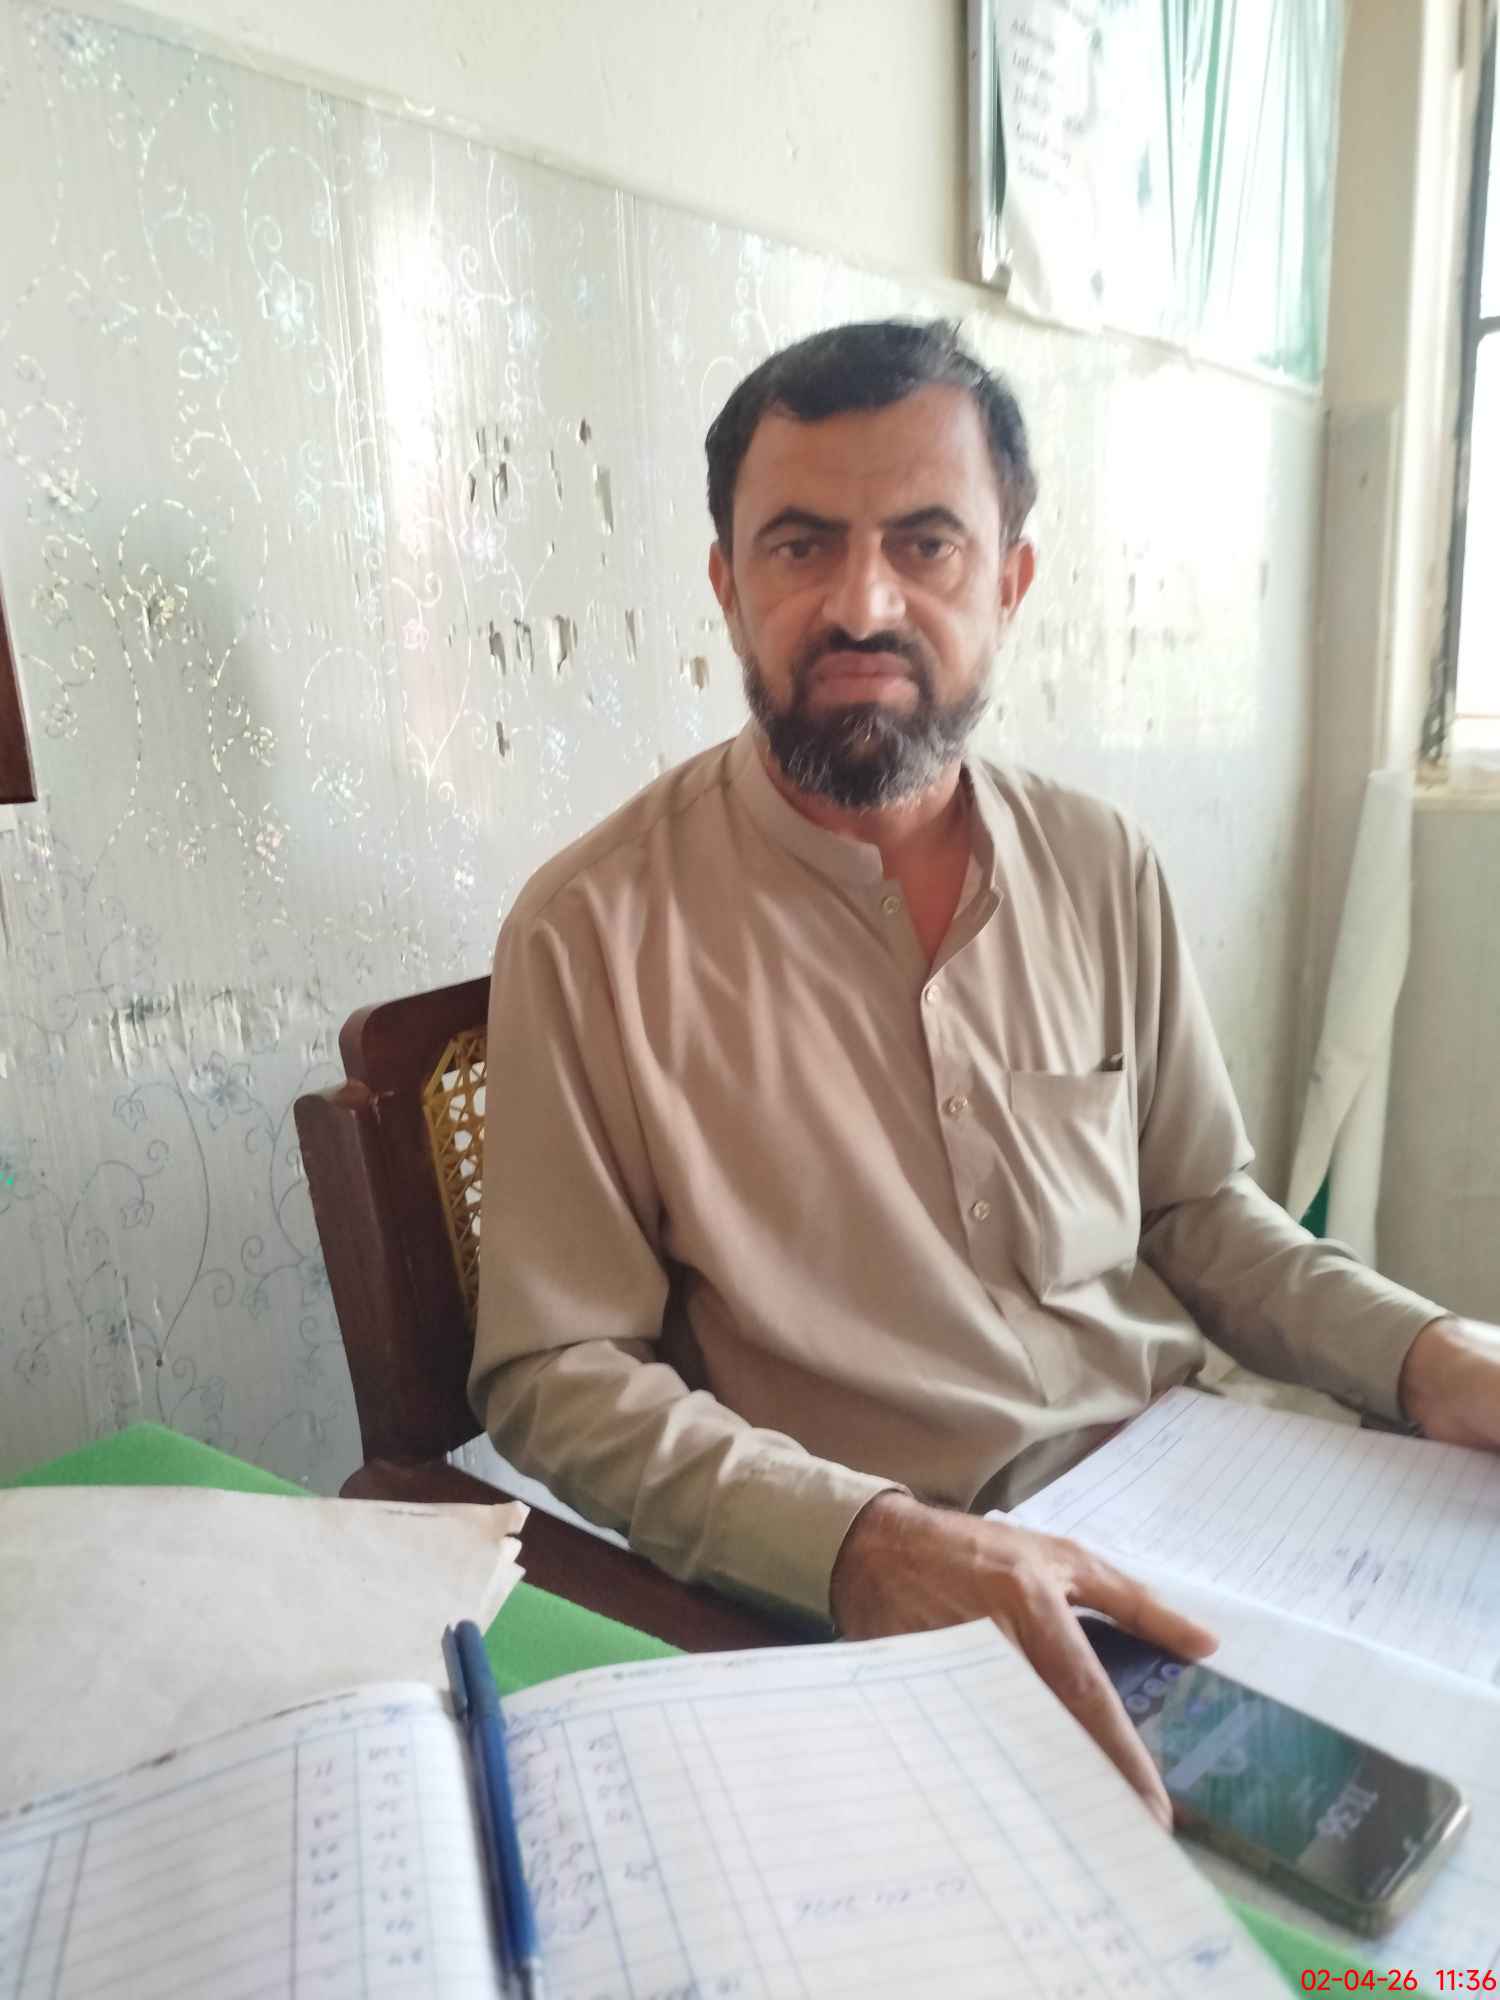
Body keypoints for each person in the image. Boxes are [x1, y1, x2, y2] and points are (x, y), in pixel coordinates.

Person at [470, 317, 1500, 1828]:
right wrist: (862, 1544)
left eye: (926, 544)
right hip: (901, 1597)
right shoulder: (594, 934)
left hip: (1215, 1506)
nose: (862, 603)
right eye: (801, 546)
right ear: (728, 586)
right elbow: (555, 1376)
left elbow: (1198, 1213)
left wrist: (1437, 1358)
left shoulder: (1102, 863)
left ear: (1009, 580)